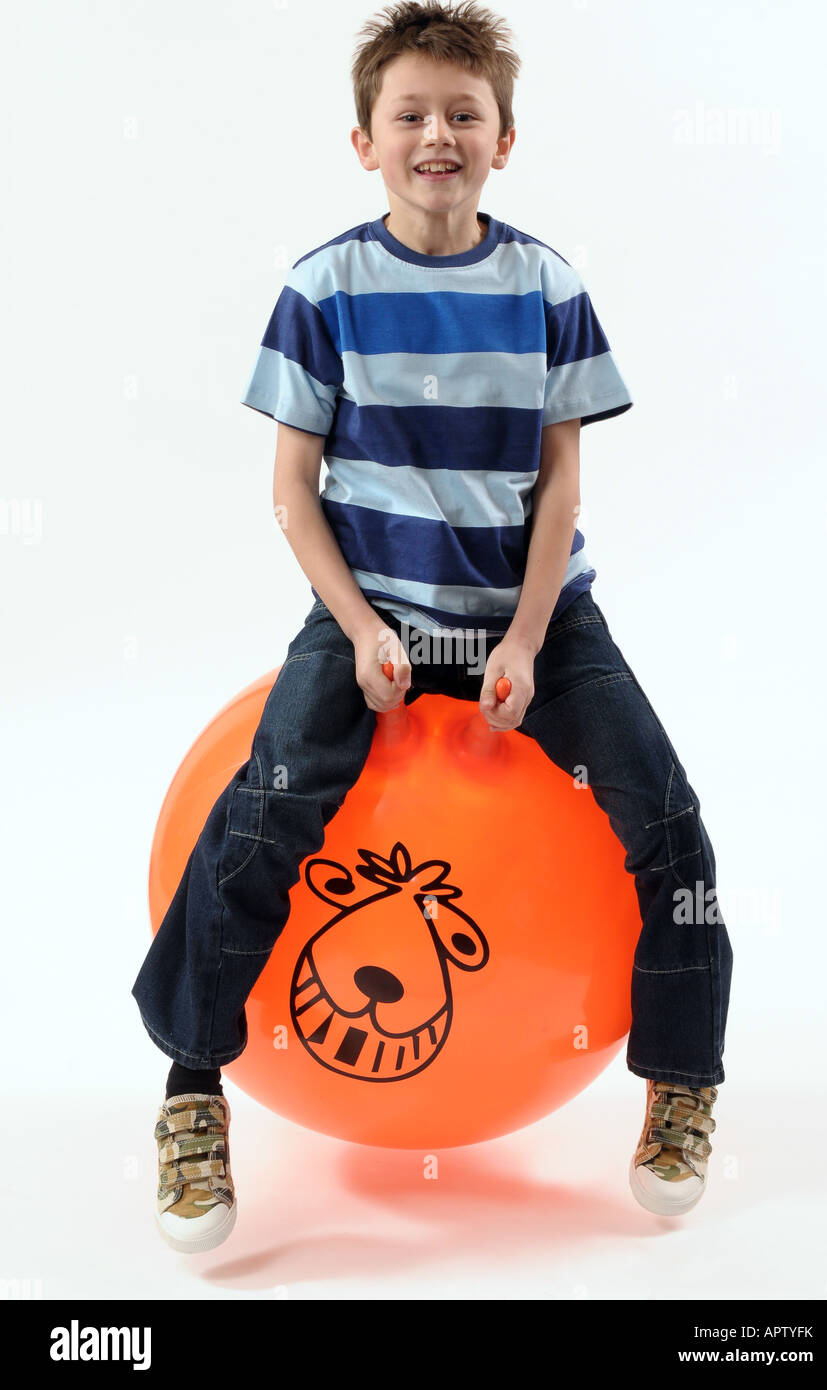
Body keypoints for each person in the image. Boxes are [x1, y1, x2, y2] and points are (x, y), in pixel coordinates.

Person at [132, 0, 732, 1253]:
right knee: (260, 815)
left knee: (665, 818)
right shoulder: (322, 287)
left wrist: (519, 641)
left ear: (505, 137)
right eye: (408, 114)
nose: (436, 134)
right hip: (371, 616)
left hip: (533, 621)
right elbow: (293, 494)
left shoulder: (548, 287)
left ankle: (680, 1083)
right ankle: (192, 1092)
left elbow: (560, 485)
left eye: (463, 114)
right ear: (364, 139)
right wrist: (356, 627)